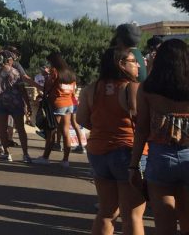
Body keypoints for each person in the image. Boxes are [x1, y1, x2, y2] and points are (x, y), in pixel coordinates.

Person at [77, 46, 145, 235]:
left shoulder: (92, 88)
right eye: (134, 61)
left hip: (98, 151)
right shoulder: (132, 87)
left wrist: (103, 128)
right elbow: (143, 123)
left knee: (107, 211)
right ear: (121, 64)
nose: (138, 65)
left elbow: (81, 119)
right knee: (133, 214)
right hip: (128, 152)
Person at [129, 39, 189, 235]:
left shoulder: (147, 88)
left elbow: (142, 130)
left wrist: (134, 165)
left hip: (160, 158)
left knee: (165, 227)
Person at [0, 51, 33, 164]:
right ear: (8, 60)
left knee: (2, 129)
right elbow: (23, 90)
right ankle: (25, 154)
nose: (13, 61)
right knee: (21, 129)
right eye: (12, 59)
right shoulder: (15, 72)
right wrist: (28, 105)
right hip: (16, 103)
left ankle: (7, 153)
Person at [35, 52, 77, 166]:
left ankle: (45, 157)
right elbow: (73, 90)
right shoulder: (70, 73)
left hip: (57, 104)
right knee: (66, 132)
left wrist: (46, 76)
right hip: (69, 103)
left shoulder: (55, 72)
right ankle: (65, 160)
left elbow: (47, 87)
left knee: (51, 132)